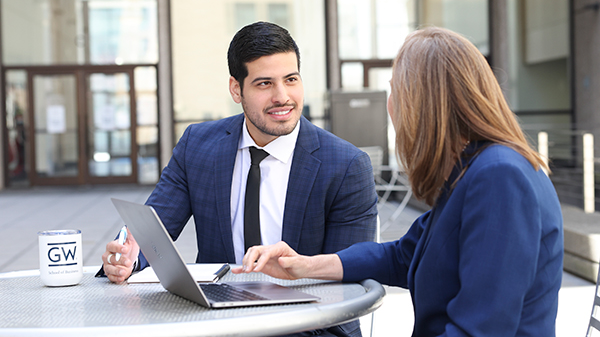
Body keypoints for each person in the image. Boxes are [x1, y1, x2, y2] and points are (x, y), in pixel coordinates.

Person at [235, 27, 564, 336]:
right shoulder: (471, 169)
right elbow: (402, 257)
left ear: (423, 103)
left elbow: (480, 329)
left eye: (396, 91)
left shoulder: (498, 177)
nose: (391, 106)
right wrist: (304, 266)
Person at [100, 21, 378, 337]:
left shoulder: (345, 166)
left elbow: (349, 281)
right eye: (264, 84)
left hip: (309, 326)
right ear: (236, 89)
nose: (282, 96)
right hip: (216, 325)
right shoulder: (198, 145)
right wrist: (128, 259)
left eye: (291, 79)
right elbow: (152, 234)